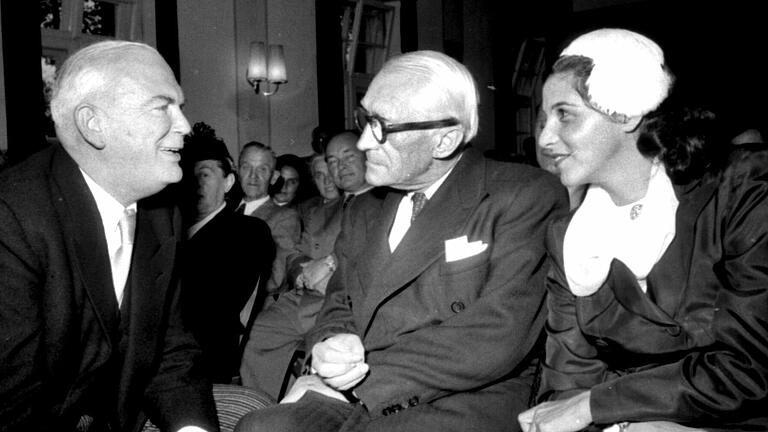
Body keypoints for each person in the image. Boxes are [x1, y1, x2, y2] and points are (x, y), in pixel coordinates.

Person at [235, 50, 567, 432]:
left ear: (444, 140)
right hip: (359, 388)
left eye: (381, 127)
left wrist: (360, 384)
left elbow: (495, 335)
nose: (362, 142)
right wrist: (329, 346)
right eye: (364, 119)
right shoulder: (364, 209)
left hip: (463, 398)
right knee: (258, 428)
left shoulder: (523, 195)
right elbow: (340, 301)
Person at [518, 28, 768, 431]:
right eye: (544, 119)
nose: (546, 138)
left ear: (626, 111)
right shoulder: (568, 236)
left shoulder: (741, 189)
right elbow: (566, 377)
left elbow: (753, 365)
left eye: (565, 114)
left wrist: (597, 406)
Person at [0, 41, 218, 431]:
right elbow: (12, 401)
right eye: (162, 106)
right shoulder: (12, 218)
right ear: (94, 124)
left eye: (180, 107)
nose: (185, 126)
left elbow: (173, 353)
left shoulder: (162, 213)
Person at [239, 131, 371, 400]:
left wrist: (331, 264)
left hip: (345, 302)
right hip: (303, 297)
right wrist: (303, 271)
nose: (337, 168)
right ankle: (257, 410)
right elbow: (295, 252)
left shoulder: (383, 200)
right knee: (257, 335)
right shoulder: (324, 209)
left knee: (326, 358)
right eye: (331, 162)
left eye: (347, 158)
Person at [180, 124, 274, 384]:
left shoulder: (246, 231)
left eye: (206, 174)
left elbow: (214, 311)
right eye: (189, 174)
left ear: (229, 182)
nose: (195, 183)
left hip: (201, 359)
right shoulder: (172, 232)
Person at [234, 142, 301, 301]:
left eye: (262, 169)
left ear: (274, 177)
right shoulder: (224, 212)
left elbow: (277, 278)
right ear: (237, 171)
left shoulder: (284, 217)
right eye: (246, 167)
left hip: (259, 308)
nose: (253, 176)